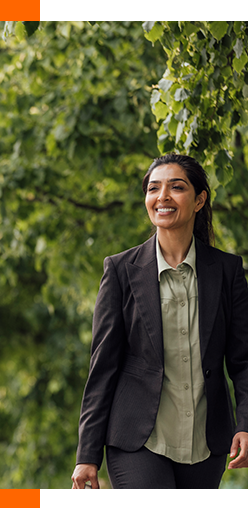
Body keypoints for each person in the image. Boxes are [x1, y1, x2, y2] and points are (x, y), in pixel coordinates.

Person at [72, 153, 248, 489]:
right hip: (137, 440)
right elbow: (103, 367)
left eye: (176, 187)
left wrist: (246, 424)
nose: (162, 196)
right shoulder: (121, 270)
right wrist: (87, 455)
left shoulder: (227, 271)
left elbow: (243, 361)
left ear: (199, 200)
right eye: (154, 189)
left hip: (207, 441)